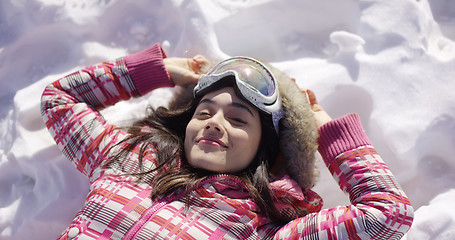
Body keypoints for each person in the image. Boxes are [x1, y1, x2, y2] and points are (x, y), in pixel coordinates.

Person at [41, 43, 414, 239]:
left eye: (237, 119)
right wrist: (156, 71)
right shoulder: (126, 160)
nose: (214, 123)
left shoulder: (265, 230)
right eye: (203, 113)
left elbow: (388, 215)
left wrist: (324, 129)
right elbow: (58, 99)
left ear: (264, 149)